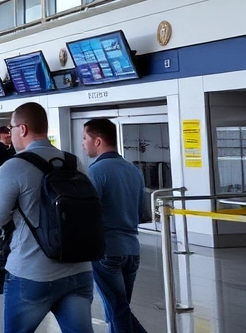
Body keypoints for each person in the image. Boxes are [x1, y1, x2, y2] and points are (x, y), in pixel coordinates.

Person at [0, 102, 93, 333]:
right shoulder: (73, 162)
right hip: (78, 270)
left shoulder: (13, 166)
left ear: (22, 129)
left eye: (10, 128)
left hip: (31, 272)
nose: (10, 134)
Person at [82, 118, 151, 333]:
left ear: (98, 141)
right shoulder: (133, 171)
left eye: (85, 138)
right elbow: (142, 214)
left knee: (117, 310)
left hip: (107, 251)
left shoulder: (95, 172)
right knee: (120, 309)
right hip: (132, 251)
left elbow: (88, 214)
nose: (84, 144)